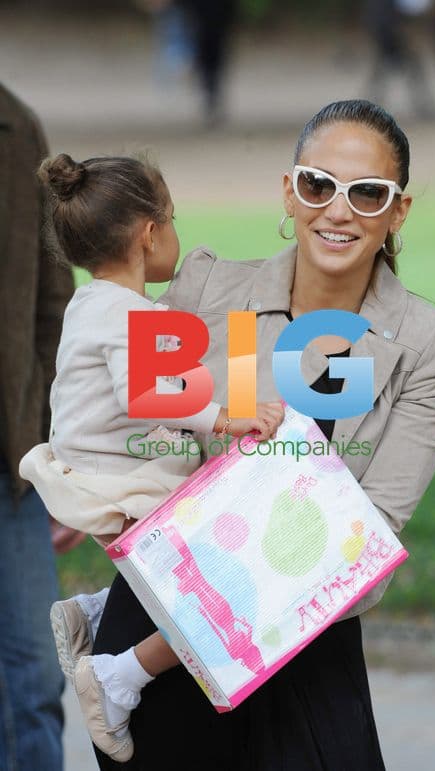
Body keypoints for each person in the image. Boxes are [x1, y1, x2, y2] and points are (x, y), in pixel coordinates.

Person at [94, 99, 435, 769]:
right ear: (290, 192)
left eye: (368, 193)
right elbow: (132, 439)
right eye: (318, 184)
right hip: (163, 647)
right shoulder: (207, 287)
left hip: (307, 654)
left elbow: (372, 536)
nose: (338, 209)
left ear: (398, 211)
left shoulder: (430, 344)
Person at [19, 152, 284, 763]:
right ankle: (114, 678)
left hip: (106, 468)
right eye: (172, 218)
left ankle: (97, 611)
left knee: (199, 579)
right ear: (150, 232)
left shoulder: (97, 305)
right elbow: (143, 390)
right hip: (122, 479)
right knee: (226, 590)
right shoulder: (126, 313)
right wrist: (226, 415)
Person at [0, 84, 73, 771]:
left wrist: (56, 450)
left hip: (10, 469)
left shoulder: (17, 128)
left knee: (34, 681)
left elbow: (55, 303)